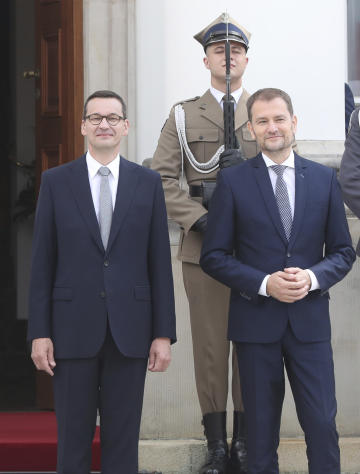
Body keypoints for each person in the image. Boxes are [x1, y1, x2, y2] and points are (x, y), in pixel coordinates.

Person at [201, 88, 355, 472]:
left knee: (322, 426)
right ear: (251, 129)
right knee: (259, 434)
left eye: (279, 119)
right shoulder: (234, 183)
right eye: (263, 121)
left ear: (294, 122)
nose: (273, 127)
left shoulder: (323, 179)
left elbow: (343, 251)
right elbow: (213, 257)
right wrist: (264, 283)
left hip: (310, 325)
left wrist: (313, 277)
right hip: (255, 326)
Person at [29, 90, 176, 472]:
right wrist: (39, 332)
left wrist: (163, 333)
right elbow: (43, 262)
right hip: (71, 330)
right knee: (73, 440)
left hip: (130, 331)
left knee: (123, 442)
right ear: (82, 127)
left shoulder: (147, 183)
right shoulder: (56, 182)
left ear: (126, 126)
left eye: (112, 117)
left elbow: (158, 261)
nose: (104, 124)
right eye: (95, 117)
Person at [148, 13, 257, 472]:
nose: (227, 57)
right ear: (206, 58)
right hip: (205, 247)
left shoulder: (264, 111)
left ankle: (248, 441)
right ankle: (216, 443)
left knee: (253, 345)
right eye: (219, 50)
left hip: (257, 251)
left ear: (246, 59)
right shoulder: (183, 114)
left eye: (235, 50)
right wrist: (202, 222)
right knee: (211, 347)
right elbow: (161, 178)